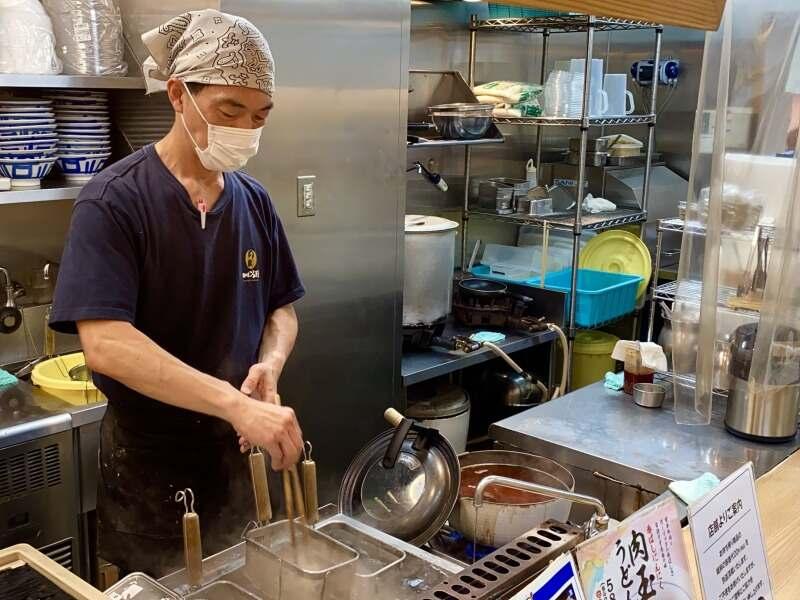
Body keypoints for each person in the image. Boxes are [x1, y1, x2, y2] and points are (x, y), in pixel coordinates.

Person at [50, 10, 305, 576]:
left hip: (235, 458)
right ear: (177, 95)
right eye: (228, 110)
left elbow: (280, 307)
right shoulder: (114, 202)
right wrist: (234, 403)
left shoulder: (253, 200)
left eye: (259, 115)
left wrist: (270, 363)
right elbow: (108, 345)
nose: (245, 127)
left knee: (244, 582)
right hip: (149, 470)